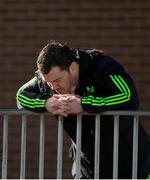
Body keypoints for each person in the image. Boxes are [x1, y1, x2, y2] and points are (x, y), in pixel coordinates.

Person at [16, 41, 150, 179]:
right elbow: (21, 96)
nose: (53, 87)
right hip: (86, 167)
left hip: (130, 162)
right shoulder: (48, 80)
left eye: (57, 80)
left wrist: (84, 103)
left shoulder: (102, 66)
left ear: (73, 68)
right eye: (48, 82)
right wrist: (46, 103)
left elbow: (129, 96)